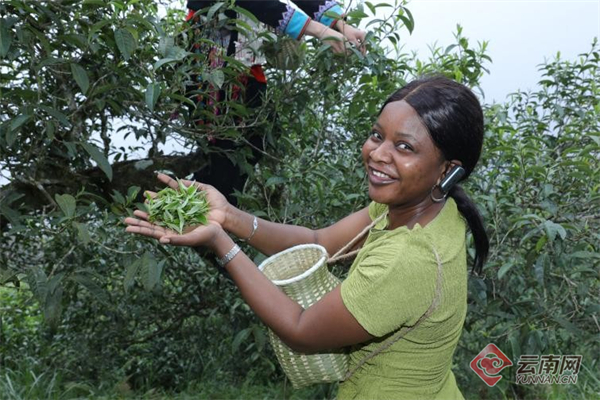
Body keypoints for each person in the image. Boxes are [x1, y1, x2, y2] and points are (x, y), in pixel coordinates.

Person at [125, 75, 490, 399]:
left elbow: (301, 330)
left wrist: (220, 241)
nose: (378, 154)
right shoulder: (425, 207)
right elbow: (319, 242)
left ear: (448, 171)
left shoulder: (409, 258)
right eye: (377, 135)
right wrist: (229, 216)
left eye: (404, 147)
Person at [184, 1, 367, 206]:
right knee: (223, 154)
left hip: (242, 60)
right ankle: (207, 211)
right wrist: (319, 30)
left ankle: (219, 208)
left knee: (256, 137)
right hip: (213, 60)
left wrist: (341, 24)